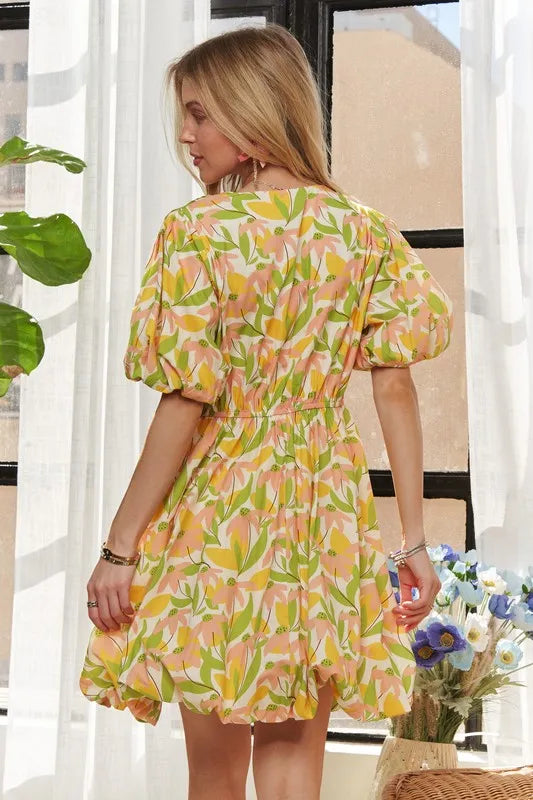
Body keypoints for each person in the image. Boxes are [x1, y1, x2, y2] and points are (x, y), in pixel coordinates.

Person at [79, 22, 451, 800]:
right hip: (324, 510)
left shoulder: (198, 232)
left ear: (251, 112)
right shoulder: (363, 231)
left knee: (214, 774)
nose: (185, 136)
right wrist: (411, 541)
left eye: (198, 113)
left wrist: (121, 547)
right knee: (291, 772)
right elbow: (394, 388)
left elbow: (185, 401)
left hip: (223, 512)